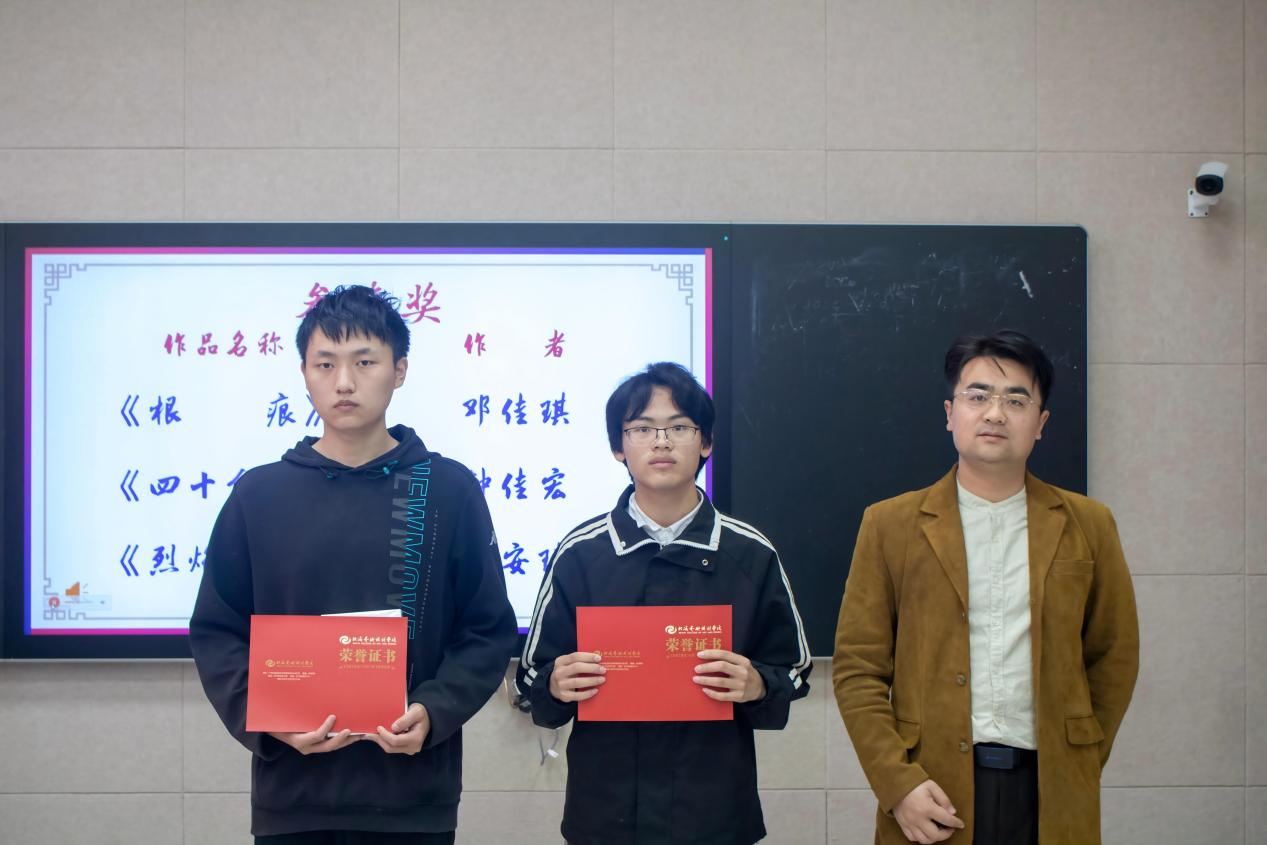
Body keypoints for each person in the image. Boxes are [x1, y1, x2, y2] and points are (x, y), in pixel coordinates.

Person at [189, 285, 517, 844]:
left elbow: (486, 629)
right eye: (325, 363)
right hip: (293, 797)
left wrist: (434, 711)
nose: (344, 382)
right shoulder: (258, 495)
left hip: (414, 796)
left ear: (399, 370)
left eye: (364, 362)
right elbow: (217, 631)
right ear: (304, 373)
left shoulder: (448, 489)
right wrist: (270, 720)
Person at [833, 329, 1139, 845]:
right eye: (978, 396)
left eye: (1016, 400)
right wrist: (897, 783)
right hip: (931, 790)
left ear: (1040, 424)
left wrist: (1080, 758)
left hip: (1053, 791)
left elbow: (1114, 657)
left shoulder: (1089, 524)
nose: (995, 413)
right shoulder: (890, 525)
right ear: (950, 413)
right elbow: (858, 668)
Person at [516, 361, 812, 845]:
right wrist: (555, 681)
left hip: (715, 815)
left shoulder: (750, 553)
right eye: (641, 428)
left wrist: (758, 683)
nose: (661, 442)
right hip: (606, 816)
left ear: (706, 442)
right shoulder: (581, 553)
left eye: (679, 427)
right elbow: (532, 676)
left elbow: (794, 669)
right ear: (618, 447)